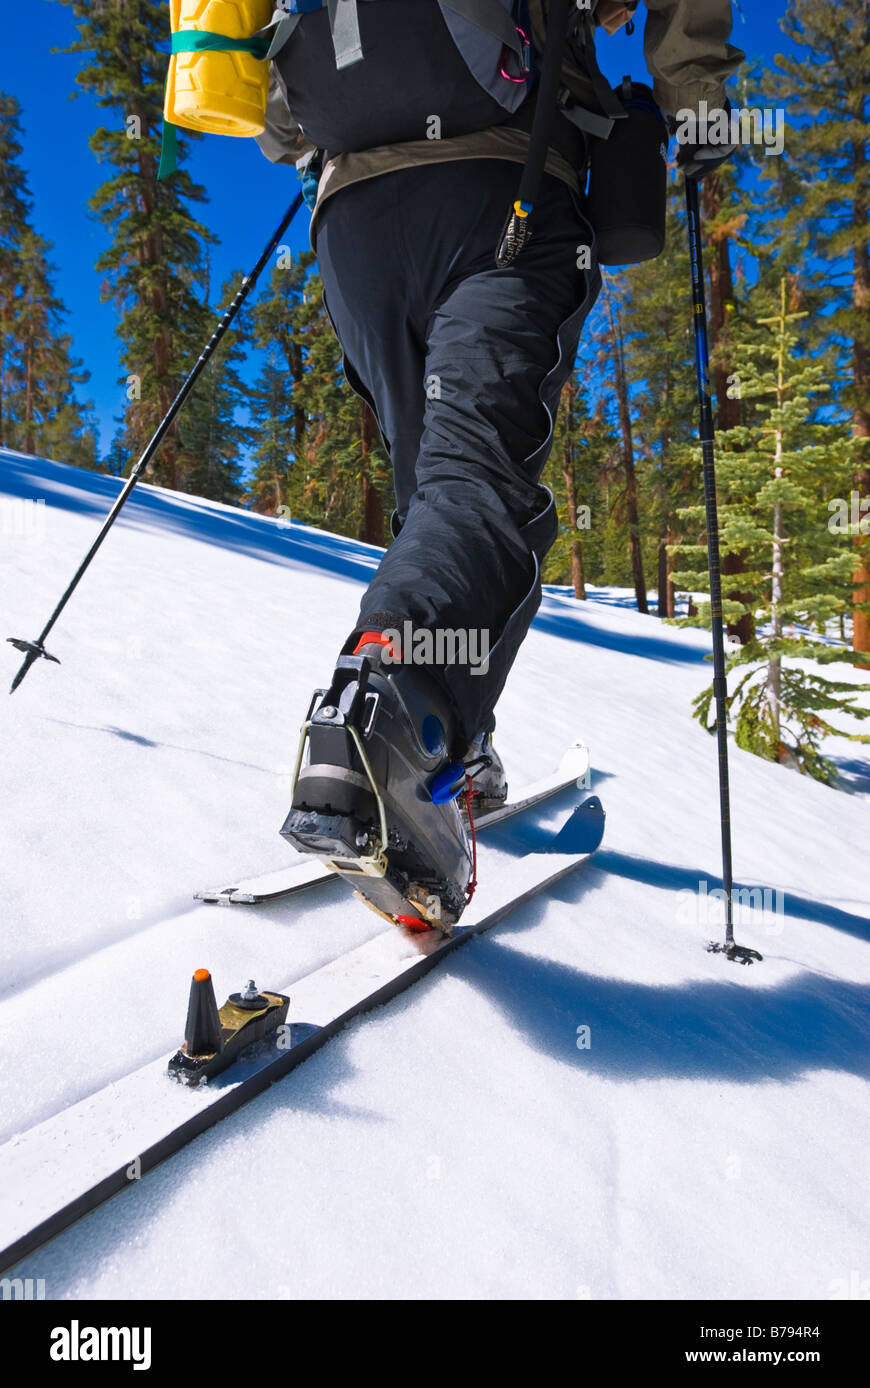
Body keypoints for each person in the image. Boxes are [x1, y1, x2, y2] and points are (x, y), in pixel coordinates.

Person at [255, 0, 743, 931]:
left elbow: (275, 116)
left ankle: (445, 741)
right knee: (480, 489)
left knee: (435, 496)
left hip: (352, 221)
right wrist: (698, 106)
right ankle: (384, 713)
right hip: (503, 183)